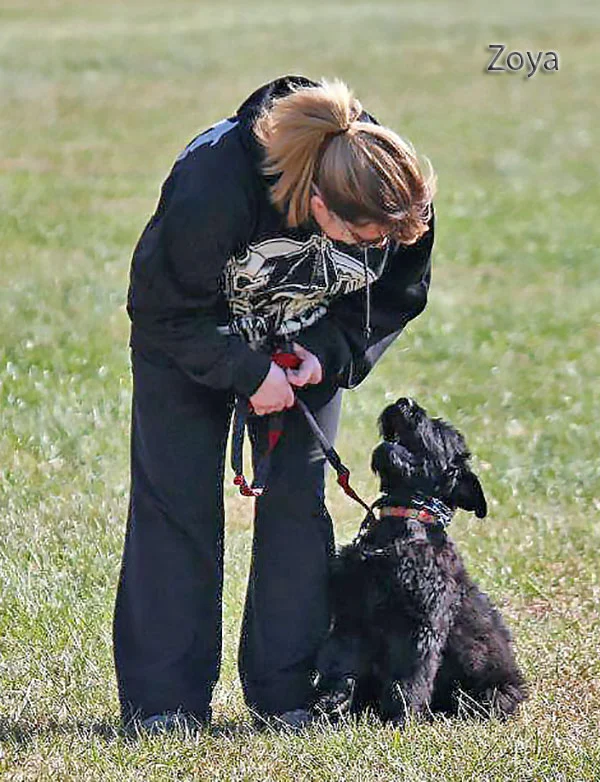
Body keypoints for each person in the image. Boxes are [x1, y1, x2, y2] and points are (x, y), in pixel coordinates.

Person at [113, 74, 436, 733]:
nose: (377, 250)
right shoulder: (216, 184)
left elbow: (398, 293)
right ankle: (164, 705)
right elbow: (160, 308)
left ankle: (289, 696)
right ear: (317, 204)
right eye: (364, 239)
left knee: (297, 507)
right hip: (189, 336)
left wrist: (328, 351)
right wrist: (244, 369)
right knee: (176, 507)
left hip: (302, 341)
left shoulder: (390, 189)